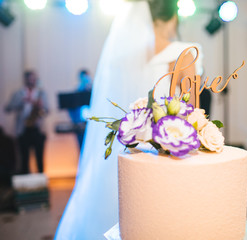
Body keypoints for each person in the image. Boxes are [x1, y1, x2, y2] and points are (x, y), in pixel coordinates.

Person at [55, 0, 203, 239]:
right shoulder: (184, 54)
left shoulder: (118, 60)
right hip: (164, 158)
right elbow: (194, 117)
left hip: (119, 158)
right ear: (174, 16)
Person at [5, 70, 49, 174]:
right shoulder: (19, 93)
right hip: (23, 130)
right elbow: (8, 108)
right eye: (30, 78)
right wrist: (22, 101)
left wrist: (39, 106)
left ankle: (41, 183)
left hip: (37, 129)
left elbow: (46, 110)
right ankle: (25, 186)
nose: (32, 81)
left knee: (40, 158)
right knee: (24, 159)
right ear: (25, 79)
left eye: (34, 78)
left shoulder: (41, 93)